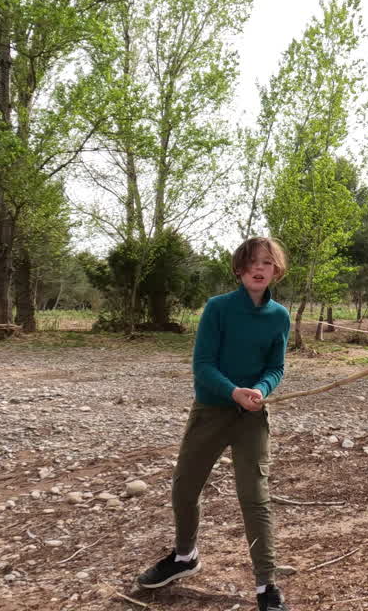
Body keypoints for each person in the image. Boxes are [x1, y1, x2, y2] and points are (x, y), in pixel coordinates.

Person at [137, 237, 291, 611]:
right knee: (185, 488)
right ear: (239, 269)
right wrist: (232, 391)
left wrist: (259, 389)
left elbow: (276, 367)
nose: (260, 268)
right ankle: (185, 556)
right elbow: (203, 365)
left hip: (251, 417)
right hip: (210, 412)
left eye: (267, 263)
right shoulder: (218, 308)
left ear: (276, 271)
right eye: (253, 262)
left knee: (255, 498)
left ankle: (266, 585)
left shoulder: (279, 316)